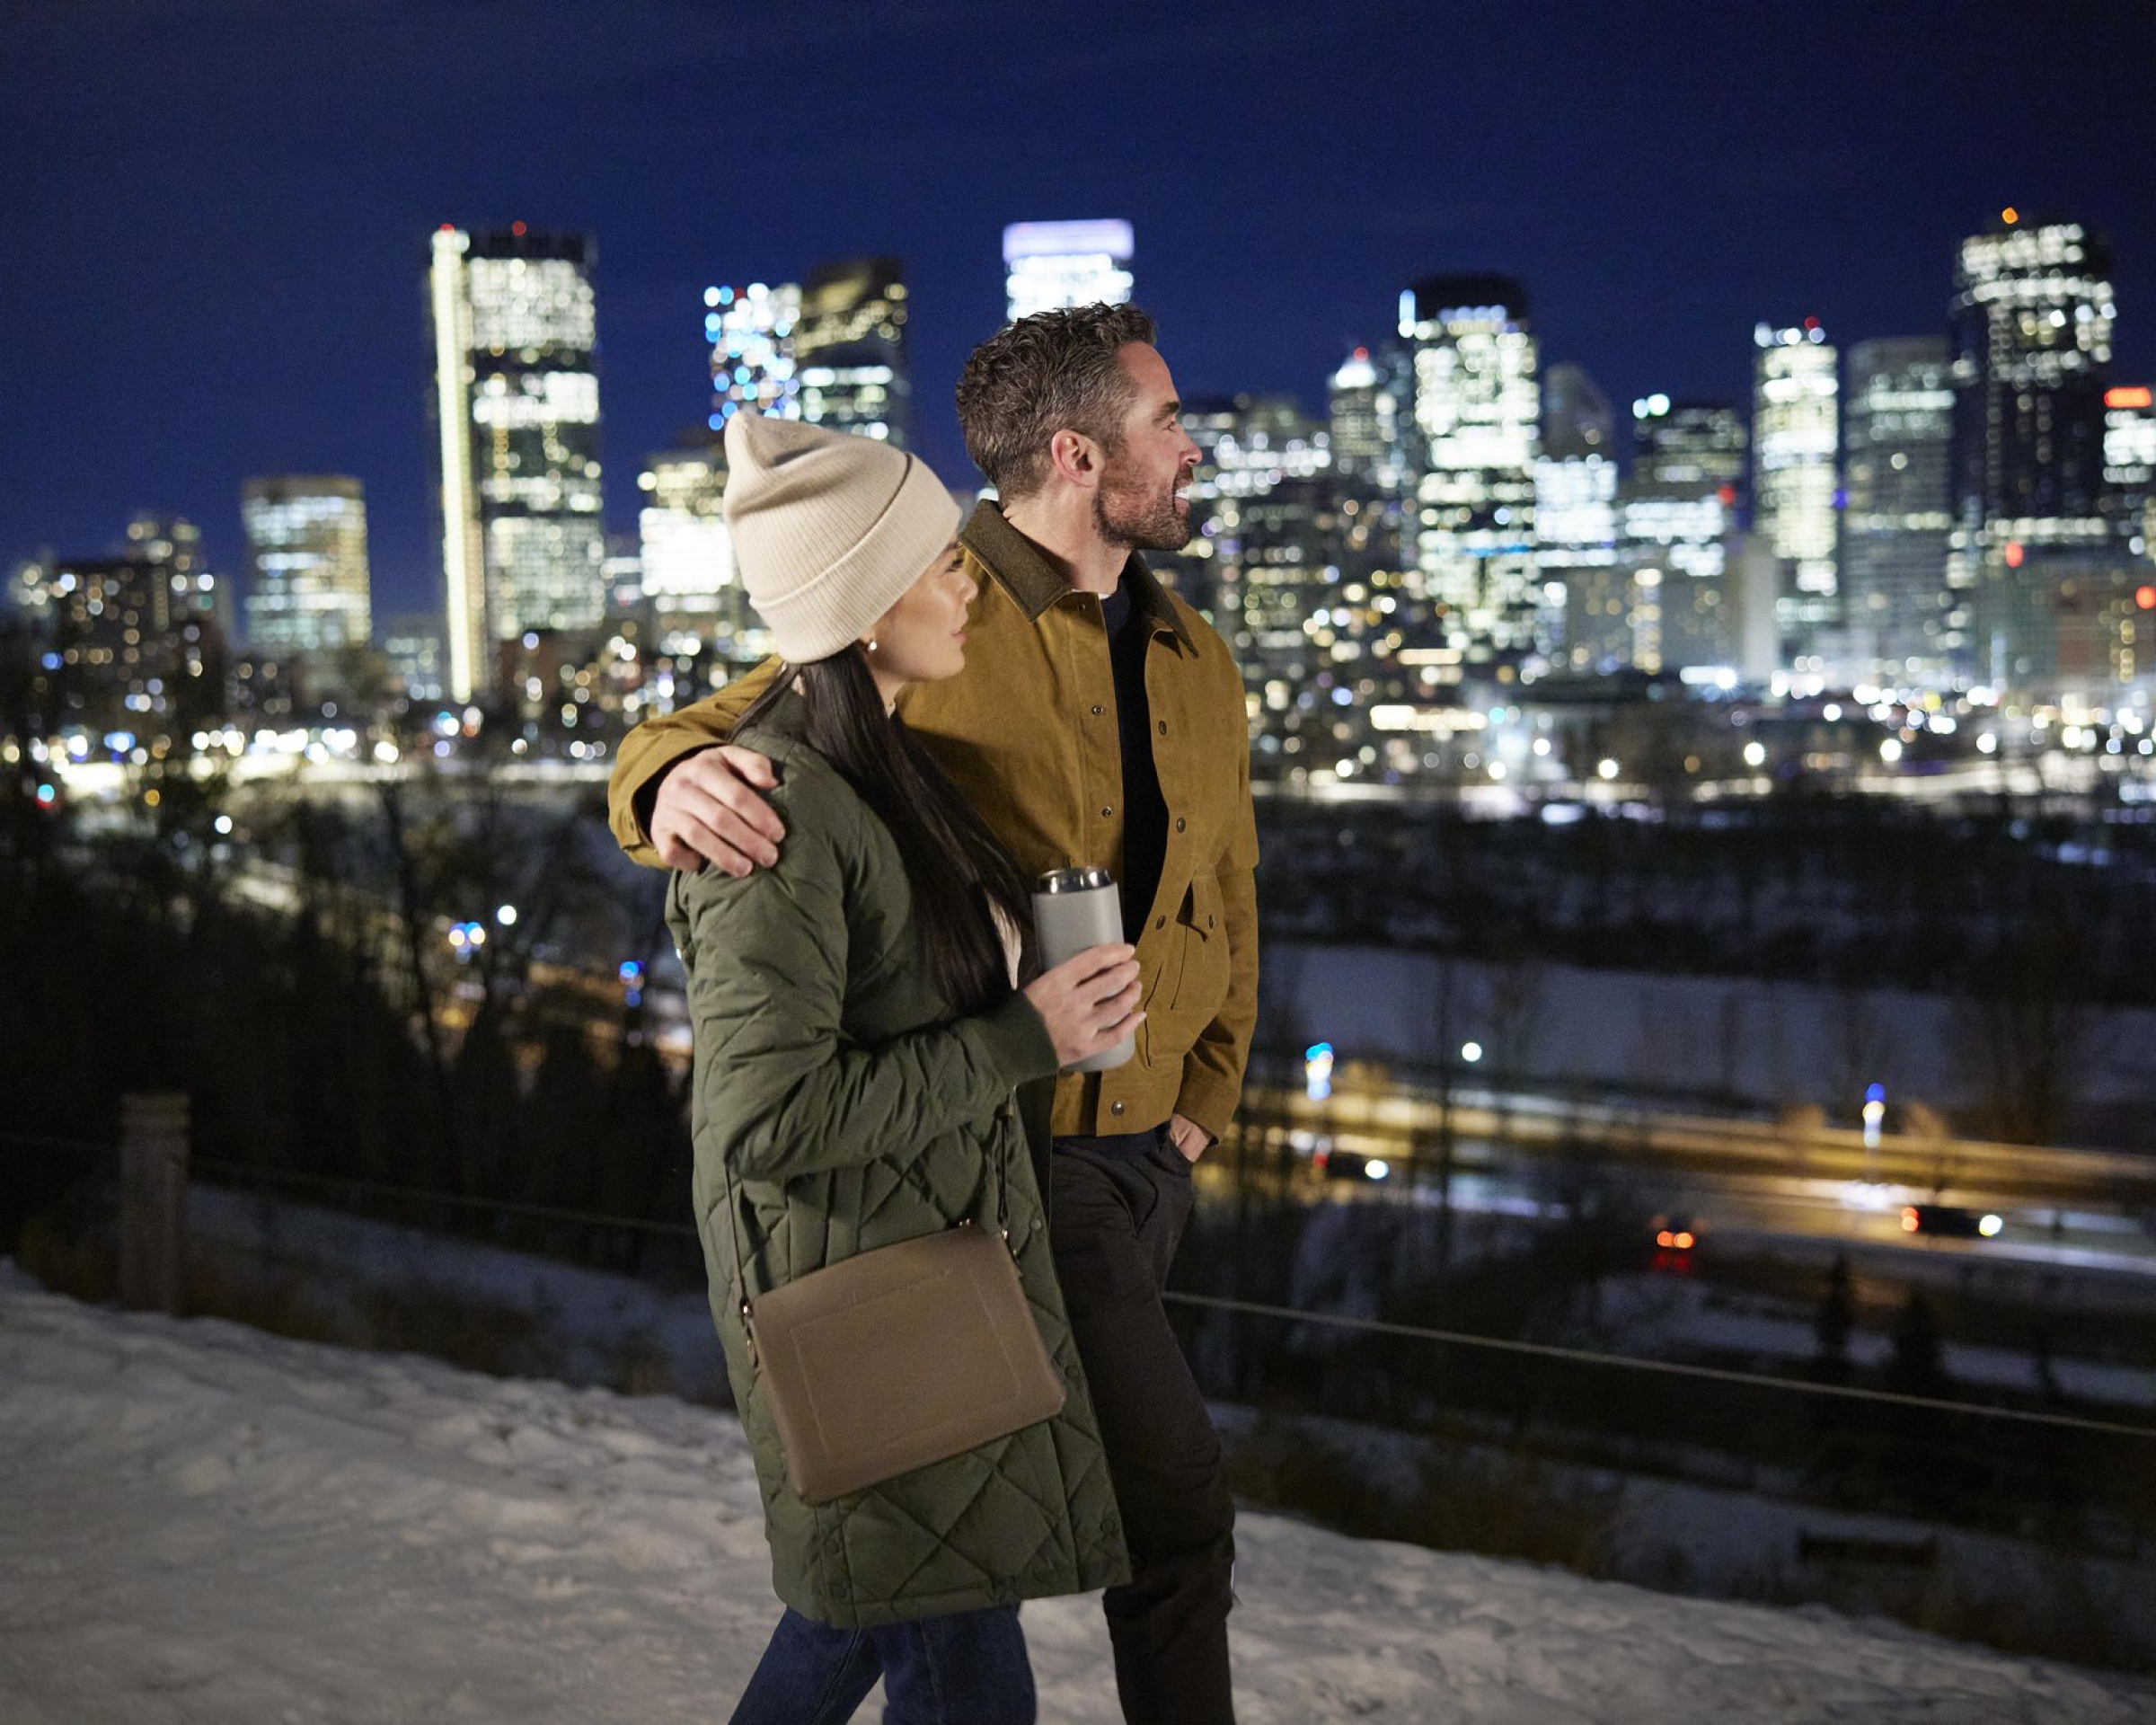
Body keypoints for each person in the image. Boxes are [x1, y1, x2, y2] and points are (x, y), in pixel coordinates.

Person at [612, 305, 1257, 1725]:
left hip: (1141, 1157)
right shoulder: (935, 589)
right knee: (1165, 1521)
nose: (1194, 444)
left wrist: (1208, 1096)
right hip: (1007, 1154)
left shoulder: (1194, 654)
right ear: (1081, 453)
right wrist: (661, 784)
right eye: (1167, 422)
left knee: (918, 1566)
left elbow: (1228, 885)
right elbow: (758, 704)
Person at [674, 411, 1139, 1724]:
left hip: (924, 1285)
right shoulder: (777, 816)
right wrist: (1022, 1038)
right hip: (872, 1308)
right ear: (864, 602)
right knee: (930, 1661)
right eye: (940, 562)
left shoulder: (884, 780)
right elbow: (769, 1121)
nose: (966, 588)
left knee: (874, 1630)